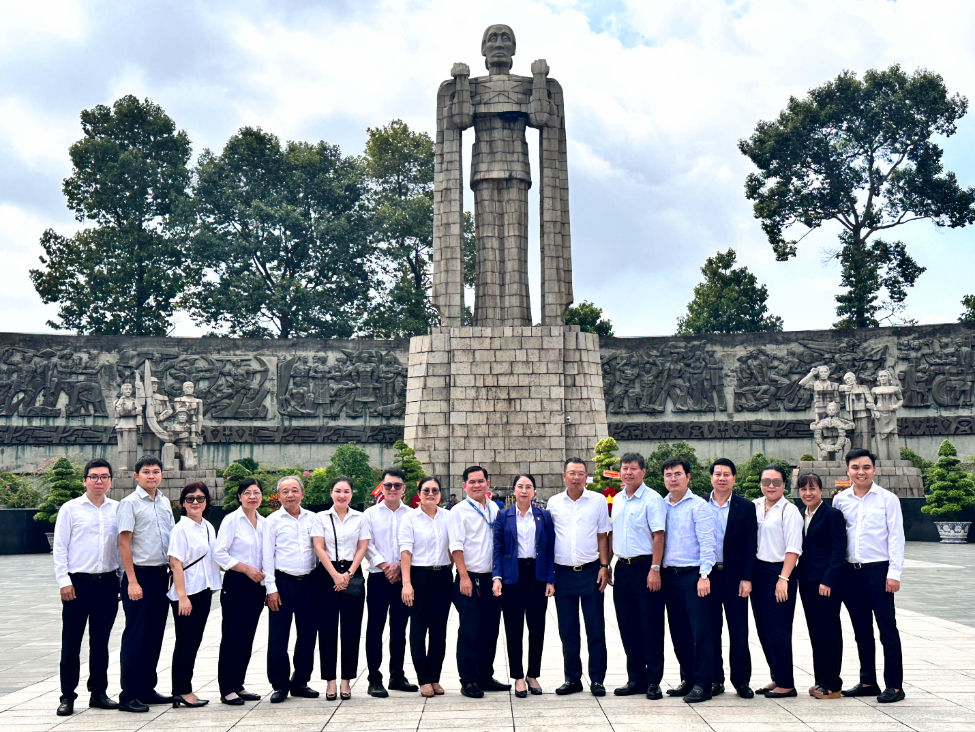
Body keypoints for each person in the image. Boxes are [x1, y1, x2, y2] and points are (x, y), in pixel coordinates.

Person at [833, 448, 906, 704]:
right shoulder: (840, 500)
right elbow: (837, 539)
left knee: (887, 630)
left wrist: (894, 573)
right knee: (861, 630)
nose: (860, 472)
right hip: (851, 574)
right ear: (848, 471)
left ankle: (895, 686)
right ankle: (868, 682)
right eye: (855, 467)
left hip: (879, 572)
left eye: (865, 467)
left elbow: (896, 537)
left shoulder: (888, 499)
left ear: (874, 470)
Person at [53, 458, 121, 717]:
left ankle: (99, 692)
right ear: (84, 480)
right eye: (94, 476)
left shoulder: (117, 509)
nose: (99, 481)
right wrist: (64, 581)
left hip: (107, 583)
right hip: (77, 584)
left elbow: (123, 546)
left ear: (111, 481)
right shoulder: (70, 509)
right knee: (71, 641)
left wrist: (123, 581)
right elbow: (59, 547)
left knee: (101, 642)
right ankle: (67, 695)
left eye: (104, 476)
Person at [547, 458, 612, 697]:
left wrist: (605, 565)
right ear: (564, 475)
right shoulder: (554, 503)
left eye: (581, 473)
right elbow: (548, 539)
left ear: (587, 477)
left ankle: (597, 679)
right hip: (562, 573)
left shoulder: (597, 501)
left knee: (595, 628)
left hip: (591, 572)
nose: (576, 477)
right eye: (572, 473)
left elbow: (603, 535)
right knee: (568, 630)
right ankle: (572, 678)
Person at [117, 455, 176, 713]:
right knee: (135, 635)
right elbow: (124, 543)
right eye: (146, 472)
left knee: (154, 635)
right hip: (138, 576)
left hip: (161, 576)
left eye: (156, 471)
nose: (151, 476)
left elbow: (172, 540)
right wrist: (131, 580)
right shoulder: (129, 504)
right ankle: (128, 694)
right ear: (136, 476)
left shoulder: (164, 503)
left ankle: (146, 688)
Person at [491, 474, 556, 698]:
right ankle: (518, 676)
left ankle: (533, 674)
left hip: (537, 576)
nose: (524, 490)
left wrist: (550, 579)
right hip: (512, 577)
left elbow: (549, 549)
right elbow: (498, 548)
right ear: (514, 490)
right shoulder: (503, 516)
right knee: (513, 629)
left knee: (537, 628)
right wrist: (496, 577)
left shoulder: (543, 516)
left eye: (529, 487)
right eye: (520, 486)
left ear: (534, 491)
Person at [448, 466, 509, 697]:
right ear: (464, 486)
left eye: (480, 481)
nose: (476, 485)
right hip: (469, 578)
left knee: (489, 630)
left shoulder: (494, 508)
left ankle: (485, 675)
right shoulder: (459, 511)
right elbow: (456, 546)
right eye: (471, 482)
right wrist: (463, 577)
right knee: (469, 631)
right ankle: (469, 680)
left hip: (491, 580)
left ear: (488, 483)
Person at [610, 453, 666, 700]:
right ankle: (636, 679)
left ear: (643, 472)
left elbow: (659, 536)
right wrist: (609, 563)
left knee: (650, 625)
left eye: (634, 468)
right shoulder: (618, 499)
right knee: (628, 626)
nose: (628, 472)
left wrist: (655, 570)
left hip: (646, 568)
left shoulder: (652, 499)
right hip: (622, 568)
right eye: (625, 468)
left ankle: (653, 681)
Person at [661, 456, 716, 704]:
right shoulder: (661, 505)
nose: (673, 479)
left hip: (693, 576)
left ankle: (704, 684)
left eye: (678, 474)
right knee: (679, 631)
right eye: (669, 475)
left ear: (688, 477)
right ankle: (688, 678)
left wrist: (704, 575)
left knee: (700, 632)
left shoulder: (699, 506)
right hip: (669, 577)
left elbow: (708, 543)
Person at [263, 476, 320, 703]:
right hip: (282, 584)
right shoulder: (272, 521)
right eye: (284, 491)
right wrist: (271, 589)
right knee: (278, 637)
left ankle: (301, 681)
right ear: (278, 495)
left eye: (294, 490)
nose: (290, 495)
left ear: (302, 493)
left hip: (308, 584)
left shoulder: (313, 519)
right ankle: (279, 684)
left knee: (307, 636)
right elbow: (267, 557)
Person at [362, 468, 419, 697]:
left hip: (403, 579)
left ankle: (397, 675)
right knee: (375, 628)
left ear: (404, 489)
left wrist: (398, 565)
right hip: (379, 578)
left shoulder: (412, 514)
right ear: (382, 488)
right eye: (388, 486)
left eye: (397, 485)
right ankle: (374, 678)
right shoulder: (370, 514)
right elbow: (366, 545)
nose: (392, 489)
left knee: (400, 629)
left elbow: (415, 544)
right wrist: (386, 565)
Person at [311, 476, 369, 701]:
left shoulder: (360, 518)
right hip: (326, 576)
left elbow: (362, 547)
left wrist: (348, 574)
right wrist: (335, 575)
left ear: (352, 494)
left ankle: (346, 681)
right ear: (331, 493)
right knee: (326, 630)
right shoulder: (320, 518)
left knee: (352, 630)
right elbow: (318, 546)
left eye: (346, 491)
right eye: (337, 491)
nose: (342, 495)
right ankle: (330, 682)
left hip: (352, 575)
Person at [706, 458, 757, 699]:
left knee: (738, 631)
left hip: (735, 578)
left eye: (727, 474)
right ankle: (716, 679)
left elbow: (750, 545)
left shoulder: (745, 507)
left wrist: (747, 578)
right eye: (717, 474)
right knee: (711, 630)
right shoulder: (700, 504)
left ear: (734, 478)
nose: (722, 478)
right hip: (709, 576)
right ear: (711, 477)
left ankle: (741, 681)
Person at [752, 464, 803, 699]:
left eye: (776, 482)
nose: (770, 486)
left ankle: (787, 683)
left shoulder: (789, 511)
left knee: (778, 629)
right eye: (766, 482)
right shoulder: (754, 506)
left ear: (784, 485)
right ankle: (777, 676)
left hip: (780, 573)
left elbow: (794, 548)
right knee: (763, 628)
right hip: (757, 573)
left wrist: (784, 578)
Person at [168, 482, 221, 708]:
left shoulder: (208, 526)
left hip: (204, 590)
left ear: (206, 502)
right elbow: (176, 564)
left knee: (193, 641)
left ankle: (184, 687)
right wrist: (182, 597)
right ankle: (181, 690)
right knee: (186, 642)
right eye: (190, 499)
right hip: (187, 593)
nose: (195, 502)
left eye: (200, 498)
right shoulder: (181, 529)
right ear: (183, 503)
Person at [214, 478, 266, 706]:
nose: (252, 496)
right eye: (247, 492)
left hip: (256, 586)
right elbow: (219, 553)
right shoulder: (231, 520)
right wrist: (246, 569)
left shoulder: (264, 523)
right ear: (239, 497)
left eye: (256, 492)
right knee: (232, 636)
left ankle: (239, 684)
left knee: (247, 637)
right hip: (237, 582)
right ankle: (226, 688)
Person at [400, 477, 453, 697]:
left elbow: (455, 547)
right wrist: (406, 583)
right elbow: (405, 552)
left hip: (443, 577)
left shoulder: (449, 517)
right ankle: (423, 679)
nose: (430, 494)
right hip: (419, 576)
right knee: (419, 630)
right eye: (426, 490)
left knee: (439, 631)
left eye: (435, 490)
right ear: (418, 494)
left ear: (440, 494)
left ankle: (435, 677)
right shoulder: (409, 518)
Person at [796, 472, 847, 699]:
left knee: (829, 632)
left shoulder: (832, 515)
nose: (808, 493)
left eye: (812, 489)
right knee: (815, 631)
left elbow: (838, 551)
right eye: (803, 489)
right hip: (806, 582)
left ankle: (833, 683)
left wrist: (828, 579)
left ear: (821, 491)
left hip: (826, 583)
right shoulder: (801, 515)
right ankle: (821, 681)